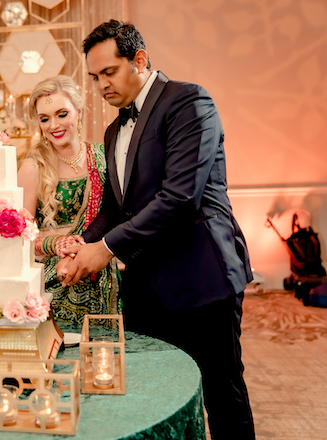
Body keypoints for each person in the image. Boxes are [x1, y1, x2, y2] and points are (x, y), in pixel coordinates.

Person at [56, 20, 255, 439]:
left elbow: (180, 198)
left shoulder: (188, 102)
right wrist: (84, 243)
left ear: (139, 60)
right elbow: (117, 208)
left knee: (221, 390)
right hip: (147, 284)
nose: (101, 85)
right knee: (159, 392)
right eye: (94, 78)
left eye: (108, 72)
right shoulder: (112, 131)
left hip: (201, 276)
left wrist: (105, 249)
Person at [17, 75, 120, 324]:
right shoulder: (33, 167)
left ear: (79, 112)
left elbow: (116, 213)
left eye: (62, 114)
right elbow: (19, 239)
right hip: (57, 283)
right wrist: (59, 245)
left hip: (103, 279)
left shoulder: (103, 156)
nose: (54, 125)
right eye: (45, 119)